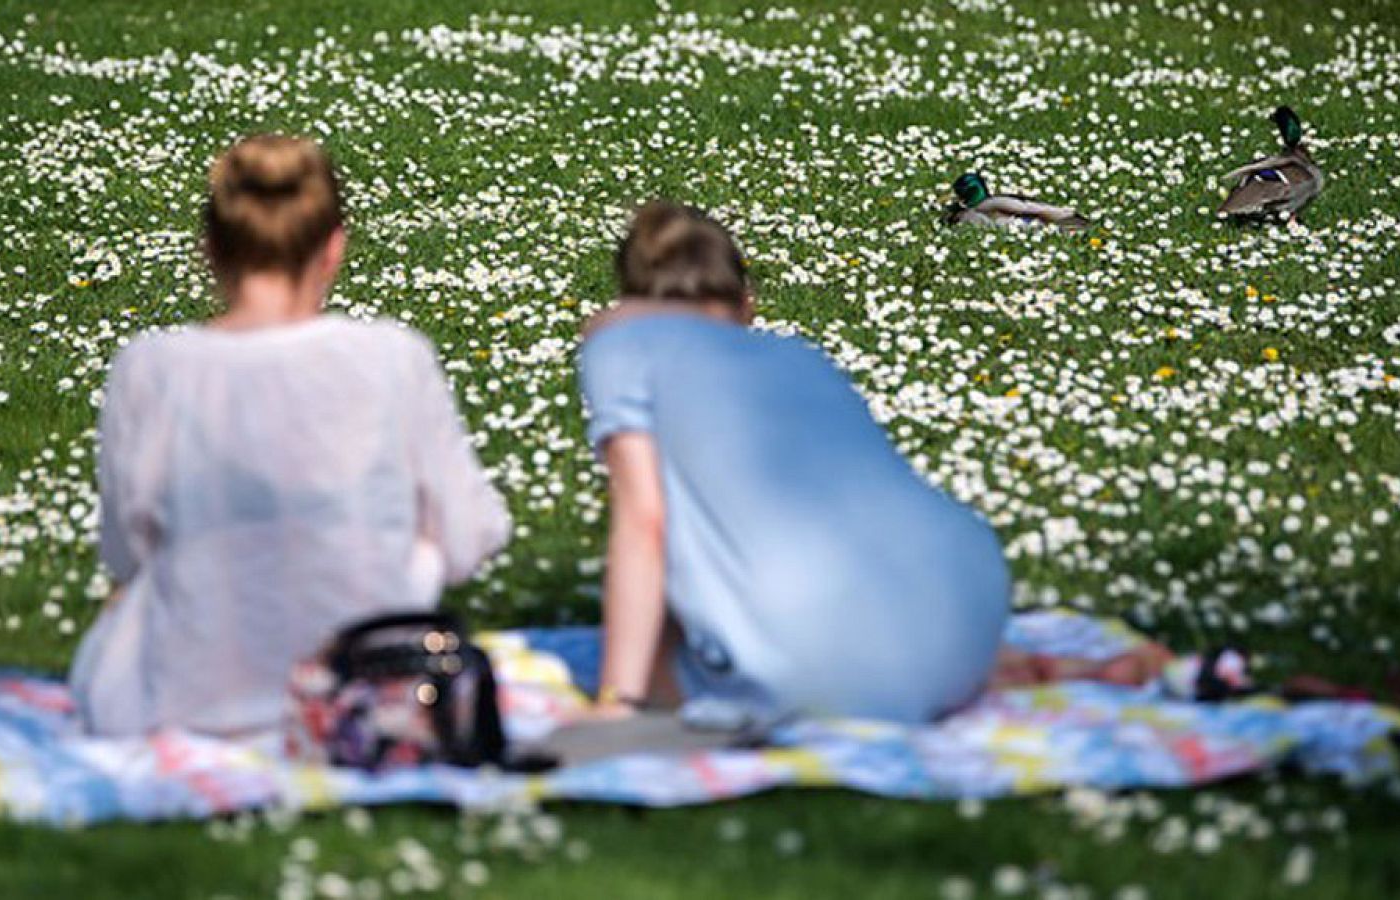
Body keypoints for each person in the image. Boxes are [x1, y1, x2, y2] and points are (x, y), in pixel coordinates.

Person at [578, 202, 1168, 728]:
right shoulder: (799, 356)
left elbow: (645, 522)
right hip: (969, 599)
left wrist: (619, 702)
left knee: (670, 656)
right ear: (748, 306)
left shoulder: (623, 350)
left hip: (812, 642)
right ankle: (1023, 670)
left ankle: (861, 678)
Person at [69, 135, 510, 739]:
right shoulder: (392, 359)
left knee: (130, 612)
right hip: (363, 691)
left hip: (190, 705)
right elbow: (471, 536)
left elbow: (125, 553)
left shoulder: (151, 370)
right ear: (333, 248)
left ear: (210, 251)